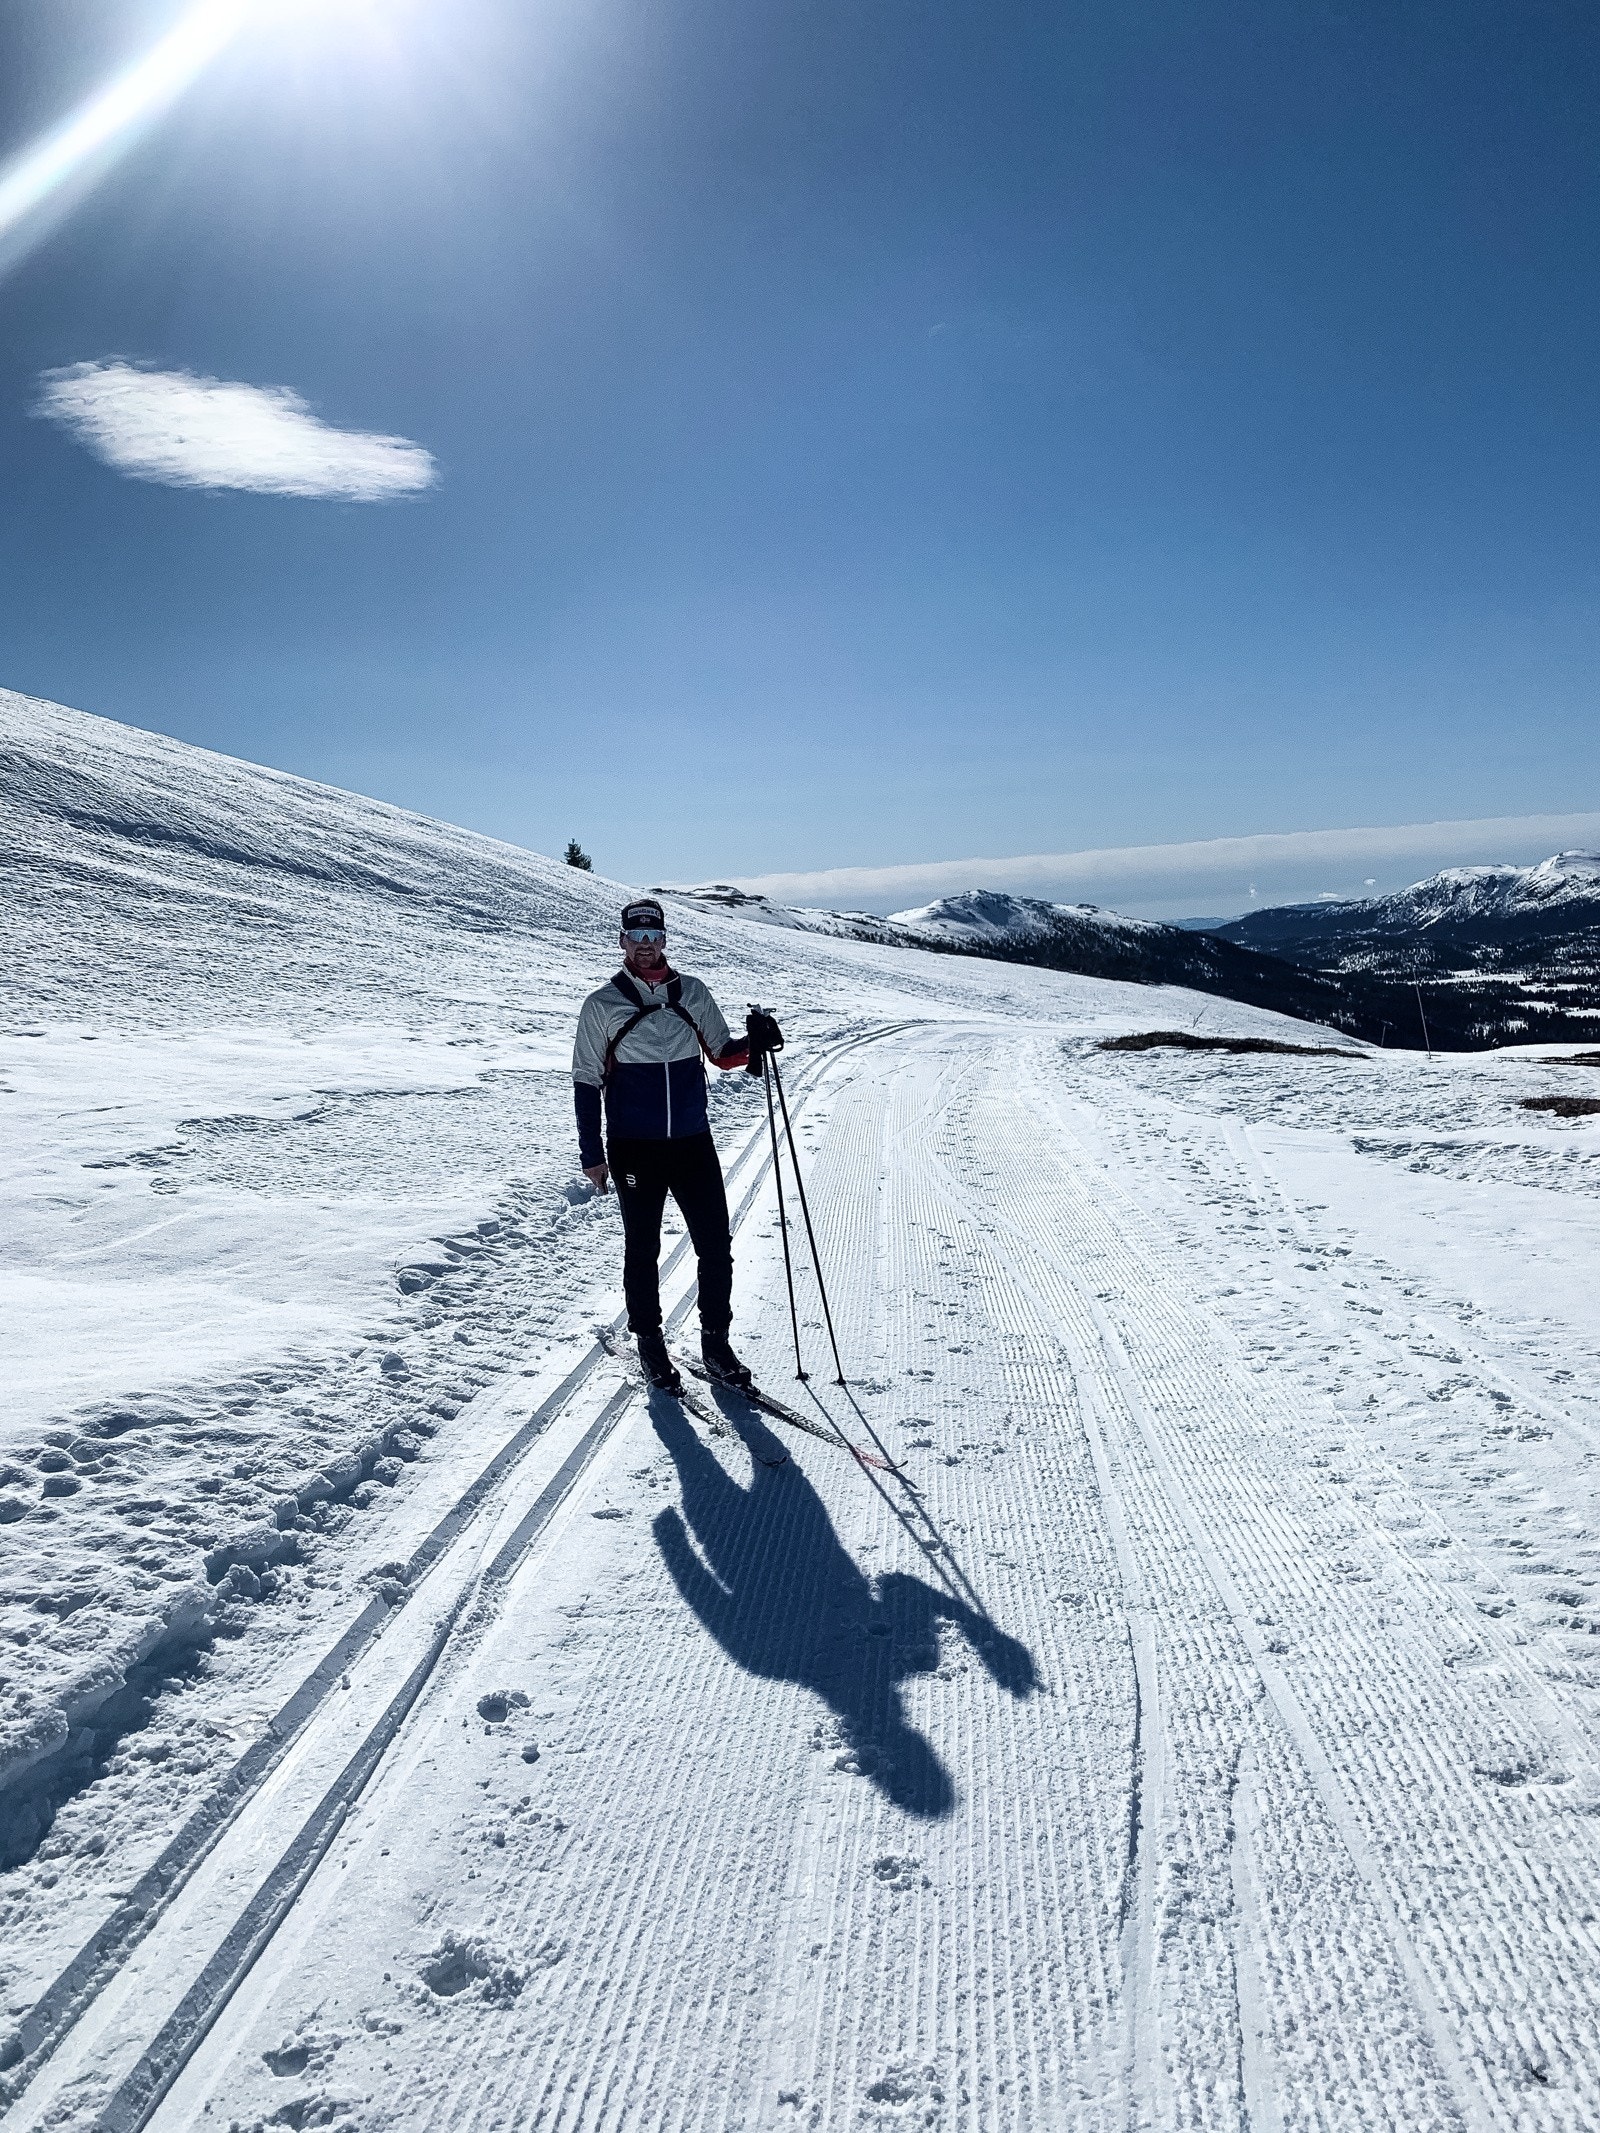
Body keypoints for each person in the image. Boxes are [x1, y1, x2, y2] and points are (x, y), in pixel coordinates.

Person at [573, 898, 783, 1393]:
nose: (645, 944)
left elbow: (723, 1055)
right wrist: (592, 1153)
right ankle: (649, 1342)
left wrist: (755, 1043)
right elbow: (586, 1079)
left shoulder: (693, 992)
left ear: (664, 940)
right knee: (642, 1247)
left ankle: (716, 1343)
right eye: (636, 936)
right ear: (623, 941)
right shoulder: (602, 1004)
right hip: (633, 1148)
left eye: (653, 936)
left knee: (715, 1245)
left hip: (691, 1141)